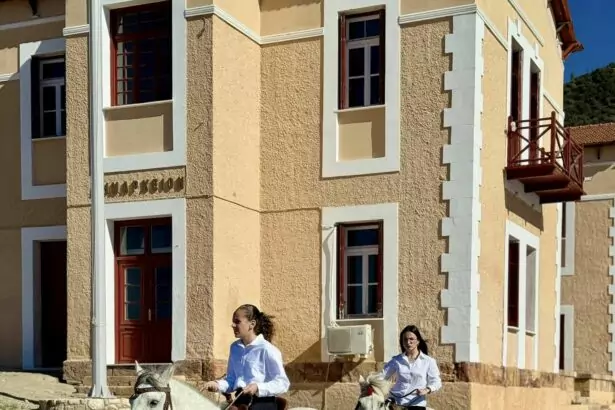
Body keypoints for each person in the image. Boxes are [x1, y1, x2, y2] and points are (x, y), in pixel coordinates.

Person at [204, 304, 290, 410]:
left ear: (252, 324)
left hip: (263, 403)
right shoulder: (235, 348)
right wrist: (217, 385)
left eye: (237, 321)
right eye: (233, 322)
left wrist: (257, 387)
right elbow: (231, 380)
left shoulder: (267, 349)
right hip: (240, 400)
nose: (233, 325)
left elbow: (282, 383)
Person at [380, 325, 442, 409]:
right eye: (405, 339)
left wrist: (427, 389)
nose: (408, 342)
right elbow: (382, 376)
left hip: (416, 403)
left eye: (411, 339)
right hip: (395, 402)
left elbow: (436, 382)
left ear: (418, 341)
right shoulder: (396, 360)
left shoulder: (429, 361)